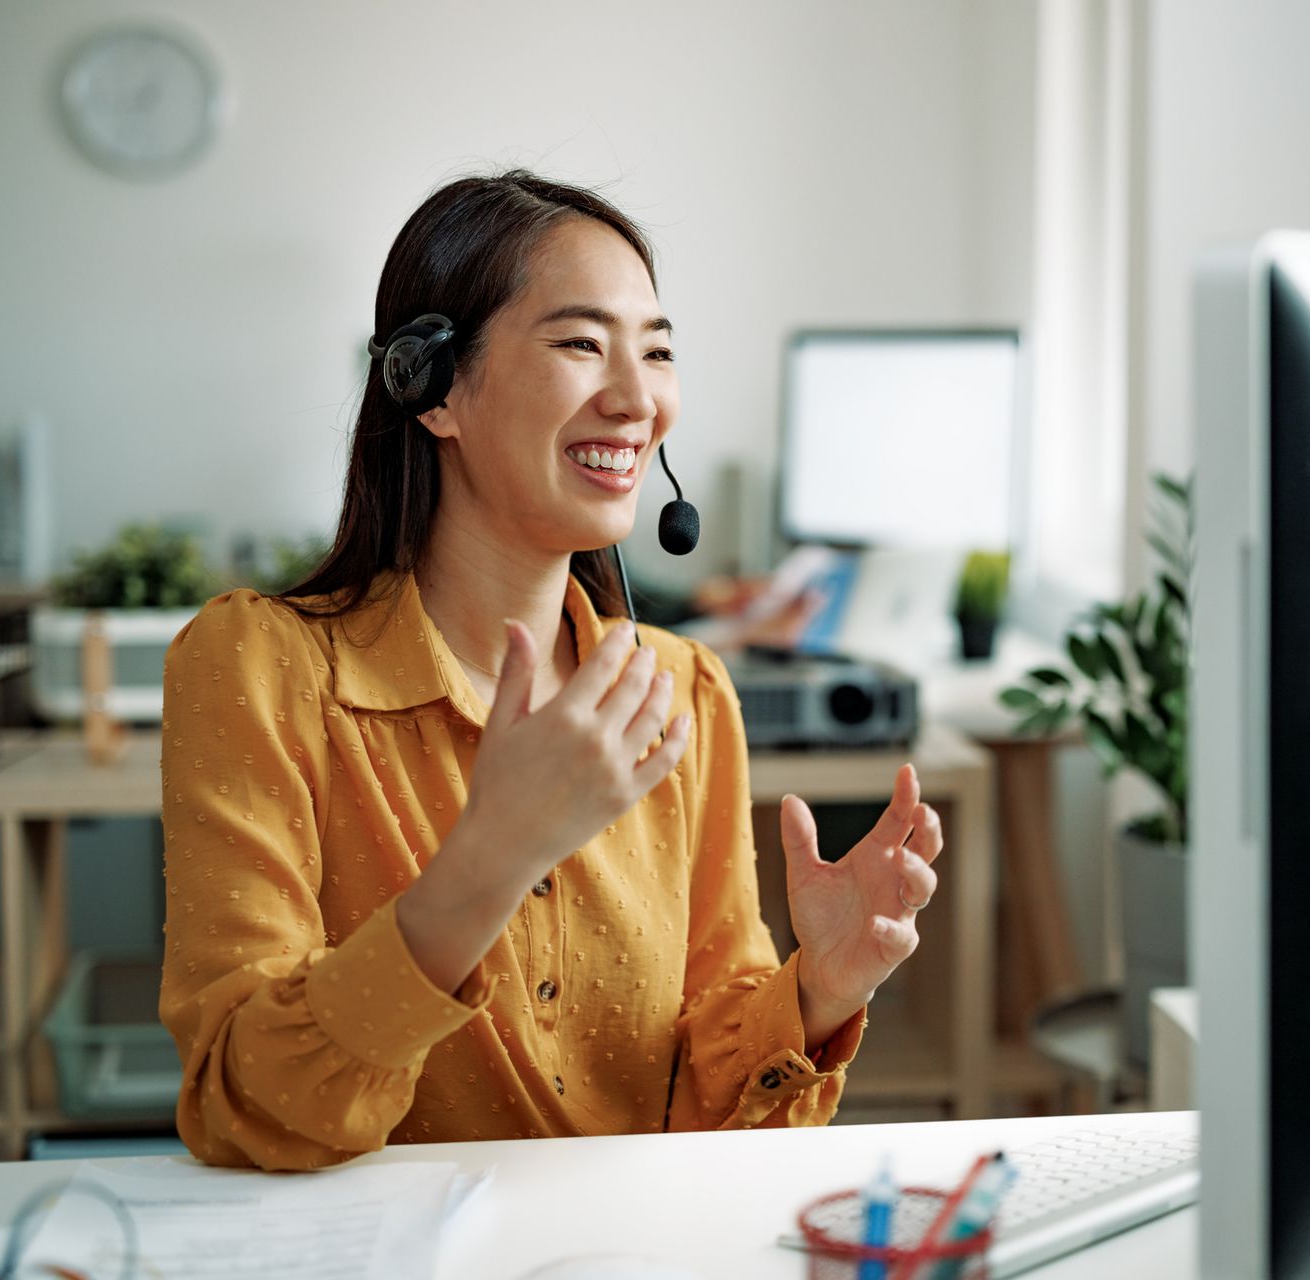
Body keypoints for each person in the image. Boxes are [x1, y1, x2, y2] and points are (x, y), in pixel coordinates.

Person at [158, 171, 941, 1170]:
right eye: (581, 344)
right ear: (433, 388)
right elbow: (241, 1107)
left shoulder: (685, 688)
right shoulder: (258, 665)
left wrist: (818, 989)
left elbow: (704, 1109)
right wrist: (492, 857)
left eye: (657, 351)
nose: (638, 399)